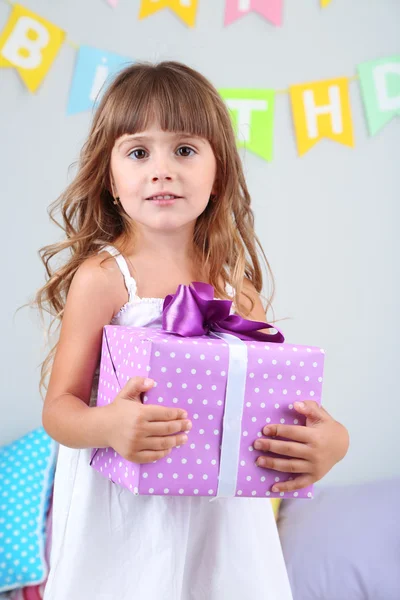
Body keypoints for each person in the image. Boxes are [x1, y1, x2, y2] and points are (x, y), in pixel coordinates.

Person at [36, 61, 349, 600]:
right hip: (126, 516)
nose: (162, 170)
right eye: (139, 152)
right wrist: (109, 426)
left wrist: (331, 443)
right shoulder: (105, 279)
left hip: (220, 519)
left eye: (184, 150)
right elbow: (59, 409)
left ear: (218, 171)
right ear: (111, 179)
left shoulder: (235, 288)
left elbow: (273, 405)